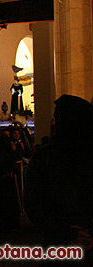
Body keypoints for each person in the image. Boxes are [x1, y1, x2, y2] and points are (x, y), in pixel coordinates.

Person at [25, 95, 93, 261]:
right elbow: (34, 201)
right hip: (60, 240)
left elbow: (33, 202)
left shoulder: (44, 156)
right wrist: (66, 230)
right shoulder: (45, 157)